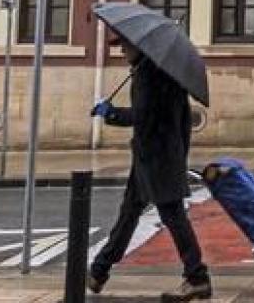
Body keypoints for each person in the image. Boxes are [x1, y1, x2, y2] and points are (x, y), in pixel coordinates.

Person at [89, 39, 210, 301]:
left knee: (173, 217)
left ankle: (197, 277)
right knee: (129, 212)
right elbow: (184, 120)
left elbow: (142, 116)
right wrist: (180, 151)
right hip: (156, 156)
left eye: (125, 46)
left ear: (139, 47)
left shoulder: (149, 75)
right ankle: (99, 271)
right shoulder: (165, 73)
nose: (122, 51)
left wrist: (110, 113)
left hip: (157, 159)